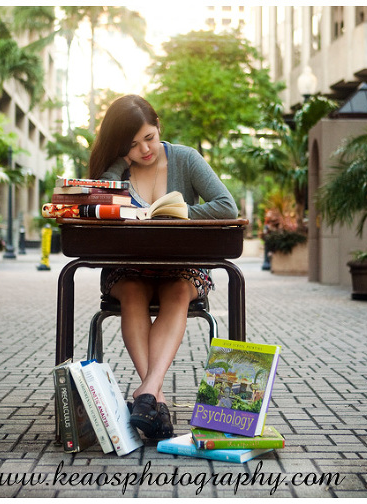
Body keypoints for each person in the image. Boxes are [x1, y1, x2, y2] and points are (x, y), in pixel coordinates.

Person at [88, 94, 238, 439]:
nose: (144, 150)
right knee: (133, 291)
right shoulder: (119, 168)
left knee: (179, 290)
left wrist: (181, 215)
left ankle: (147, 392)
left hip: (182, 267)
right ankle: (155, 398)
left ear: (158, 127)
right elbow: (97, 200)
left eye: (149, 138)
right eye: (132, 144)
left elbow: (226, 206)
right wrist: (116, 164)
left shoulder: (185, 159)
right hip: (129, 269)